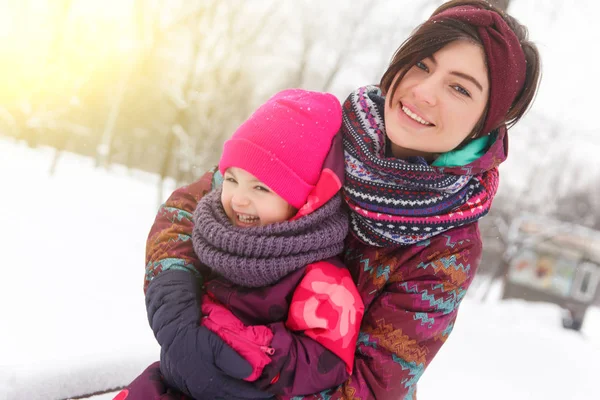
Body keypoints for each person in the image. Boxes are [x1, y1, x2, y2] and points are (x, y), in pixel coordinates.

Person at [123, 0, 541, 399]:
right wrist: (174, 307)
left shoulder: (448, 247)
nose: (424, 92)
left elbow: (376, 386)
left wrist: (247, 386)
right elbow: (189, 208)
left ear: (486, 121)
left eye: (460, 89)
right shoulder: (321, 133)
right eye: (421, 64)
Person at [121, 89, 366, 399]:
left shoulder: (321, 276)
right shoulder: (214, 235)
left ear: (306, 201)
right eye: (232, 179)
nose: (238, 198)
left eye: (261, 188)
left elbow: (327, 359)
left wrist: (255, 351)